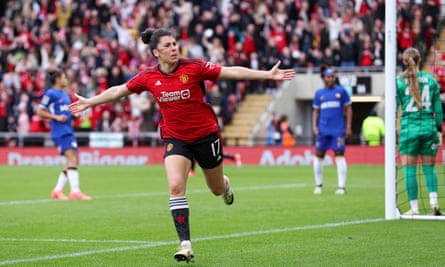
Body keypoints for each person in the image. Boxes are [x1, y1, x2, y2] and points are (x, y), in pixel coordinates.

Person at [69, 27, 296, 262]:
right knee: (176, 187)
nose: (174, 48)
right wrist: (91, 102)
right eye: (167, 45)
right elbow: (120, 90)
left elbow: (229, 71)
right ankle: (185, 244)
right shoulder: (148, 76)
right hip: (175, 138)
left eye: (175, 43)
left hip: (206, 135)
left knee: (216, 188)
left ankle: (226, 185)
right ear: (156, 52)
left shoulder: (194, 67)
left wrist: (266, 75)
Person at [396, 47, 442, 216]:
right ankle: (434, 202)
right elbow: (438, 109)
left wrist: (395, 129)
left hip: (409, 129)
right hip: (429, 128)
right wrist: (438, 130)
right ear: (420, 60)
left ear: (404, 61)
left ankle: (414, 208)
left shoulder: (399, 82)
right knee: (429, 168)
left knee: (409, 170)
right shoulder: (431, 81)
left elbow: (394, 109)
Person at [37, 69, 92, 201]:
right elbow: (40, 111)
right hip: (59, 130)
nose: (66, 80)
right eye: (64, 78)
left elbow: (66, 112)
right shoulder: (51, 93)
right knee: (72, 158)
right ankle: (75, 192)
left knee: (72, 160)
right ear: (57, 80)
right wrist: (55, 117)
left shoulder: (65, 95)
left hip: (67, 129)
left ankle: (57, 190)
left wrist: (74, 114)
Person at [312, 65, 352, 195]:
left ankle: (341, 186)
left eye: (332, 77)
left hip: (338, 129)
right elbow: (315, 111)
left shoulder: (341, 92)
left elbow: (348, 109)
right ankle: (318, 185)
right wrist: (314, 126)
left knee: (339, 154)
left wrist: (348, 127)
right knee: (319, 155)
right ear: (323, 78)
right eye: (327, 77)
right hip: (323, 129)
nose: (330, 79)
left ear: (335, 78)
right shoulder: (319, 93)